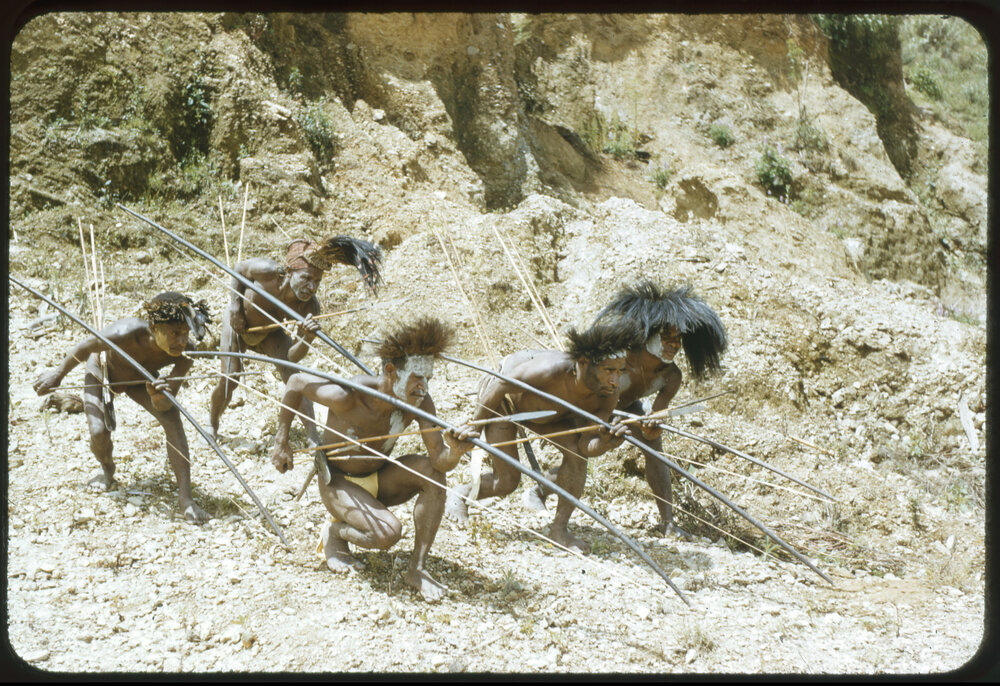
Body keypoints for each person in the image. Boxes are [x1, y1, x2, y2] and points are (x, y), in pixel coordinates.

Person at [269, 316, 476, 602]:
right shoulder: (348, 396)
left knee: (432, 474)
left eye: (428, 378)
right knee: (388, 534)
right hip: (339, 482)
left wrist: (454, 450)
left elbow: (440, 461)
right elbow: (295, 381)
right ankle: (336, 534)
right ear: (391, 371)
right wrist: (282, 442)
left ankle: (417, 568)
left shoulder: (420, 403)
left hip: (380, 477)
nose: (423, 386)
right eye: (417, 376)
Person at [527, 281, 728, 536]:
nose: (673, 344)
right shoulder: (621, 358)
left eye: (678, 339)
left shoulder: (671, 376)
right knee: (580, 456)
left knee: (654, 448)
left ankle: (668, 524)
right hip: (591, 406)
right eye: (666, 335)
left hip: (627, 410)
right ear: (650, 334)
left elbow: (656, 419)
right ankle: (542, 490)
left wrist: (651, 427)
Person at [445, 320, 640, 554]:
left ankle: (559, 530)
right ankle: (460, 493)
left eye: (620, 372)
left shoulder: (607, 394)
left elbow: (586, 445)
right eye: (609, 371)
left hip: (554, 416)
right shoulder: (550, 369)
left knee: (577, 457)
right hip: (504, 402)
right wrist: (474, 424)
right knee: (507, 482)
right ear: (583, 363)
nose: (616, 381)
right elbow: (499, 384)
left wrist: (606, 443)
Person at [33, 292, 213, 522]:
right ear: (154, 327)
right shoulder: (127, 332)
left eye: (185, 333)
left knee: (173, 423)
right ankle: (107, 469)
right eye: (174, 333)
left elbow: (167, 401)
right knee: (98, 432)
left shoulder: (186, 352)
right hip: (102, 368)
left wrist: (158, 397)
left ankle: (186, 501)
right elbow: (85, 346)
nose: (181, 341)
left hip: (141, 379)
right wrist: (57, 374)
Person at [209, 235, 382, 440]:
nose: (312, 287)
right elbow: (237, 270)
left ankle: (312, 437)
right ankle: (212, 424)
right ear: (290, 271)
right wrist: (236, 308)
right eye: (307, 278)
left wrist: (307, 338)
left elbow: (292, 358)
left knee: (294, 377)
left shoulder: (308, 307)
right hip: (238, 325)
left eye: (317, 281)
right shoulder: (266, 271)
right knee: (230, 378)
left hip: (269, 335)